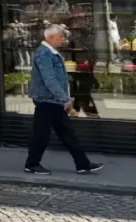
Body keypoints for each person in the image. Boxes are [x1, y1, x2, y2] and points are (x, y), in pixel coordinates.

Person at [25, 25, 102, 175]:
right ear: (50, 37)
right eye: (60, 36)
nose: (63, 39)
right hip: (46, 100)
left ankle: (83, 164)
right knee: (42, 134)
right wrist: (64, 98)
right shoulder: (44, 53)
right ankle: (32, 164)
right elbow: (49, 79)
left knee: (67, 133)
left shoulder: (50, 52)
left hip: (53, 100)